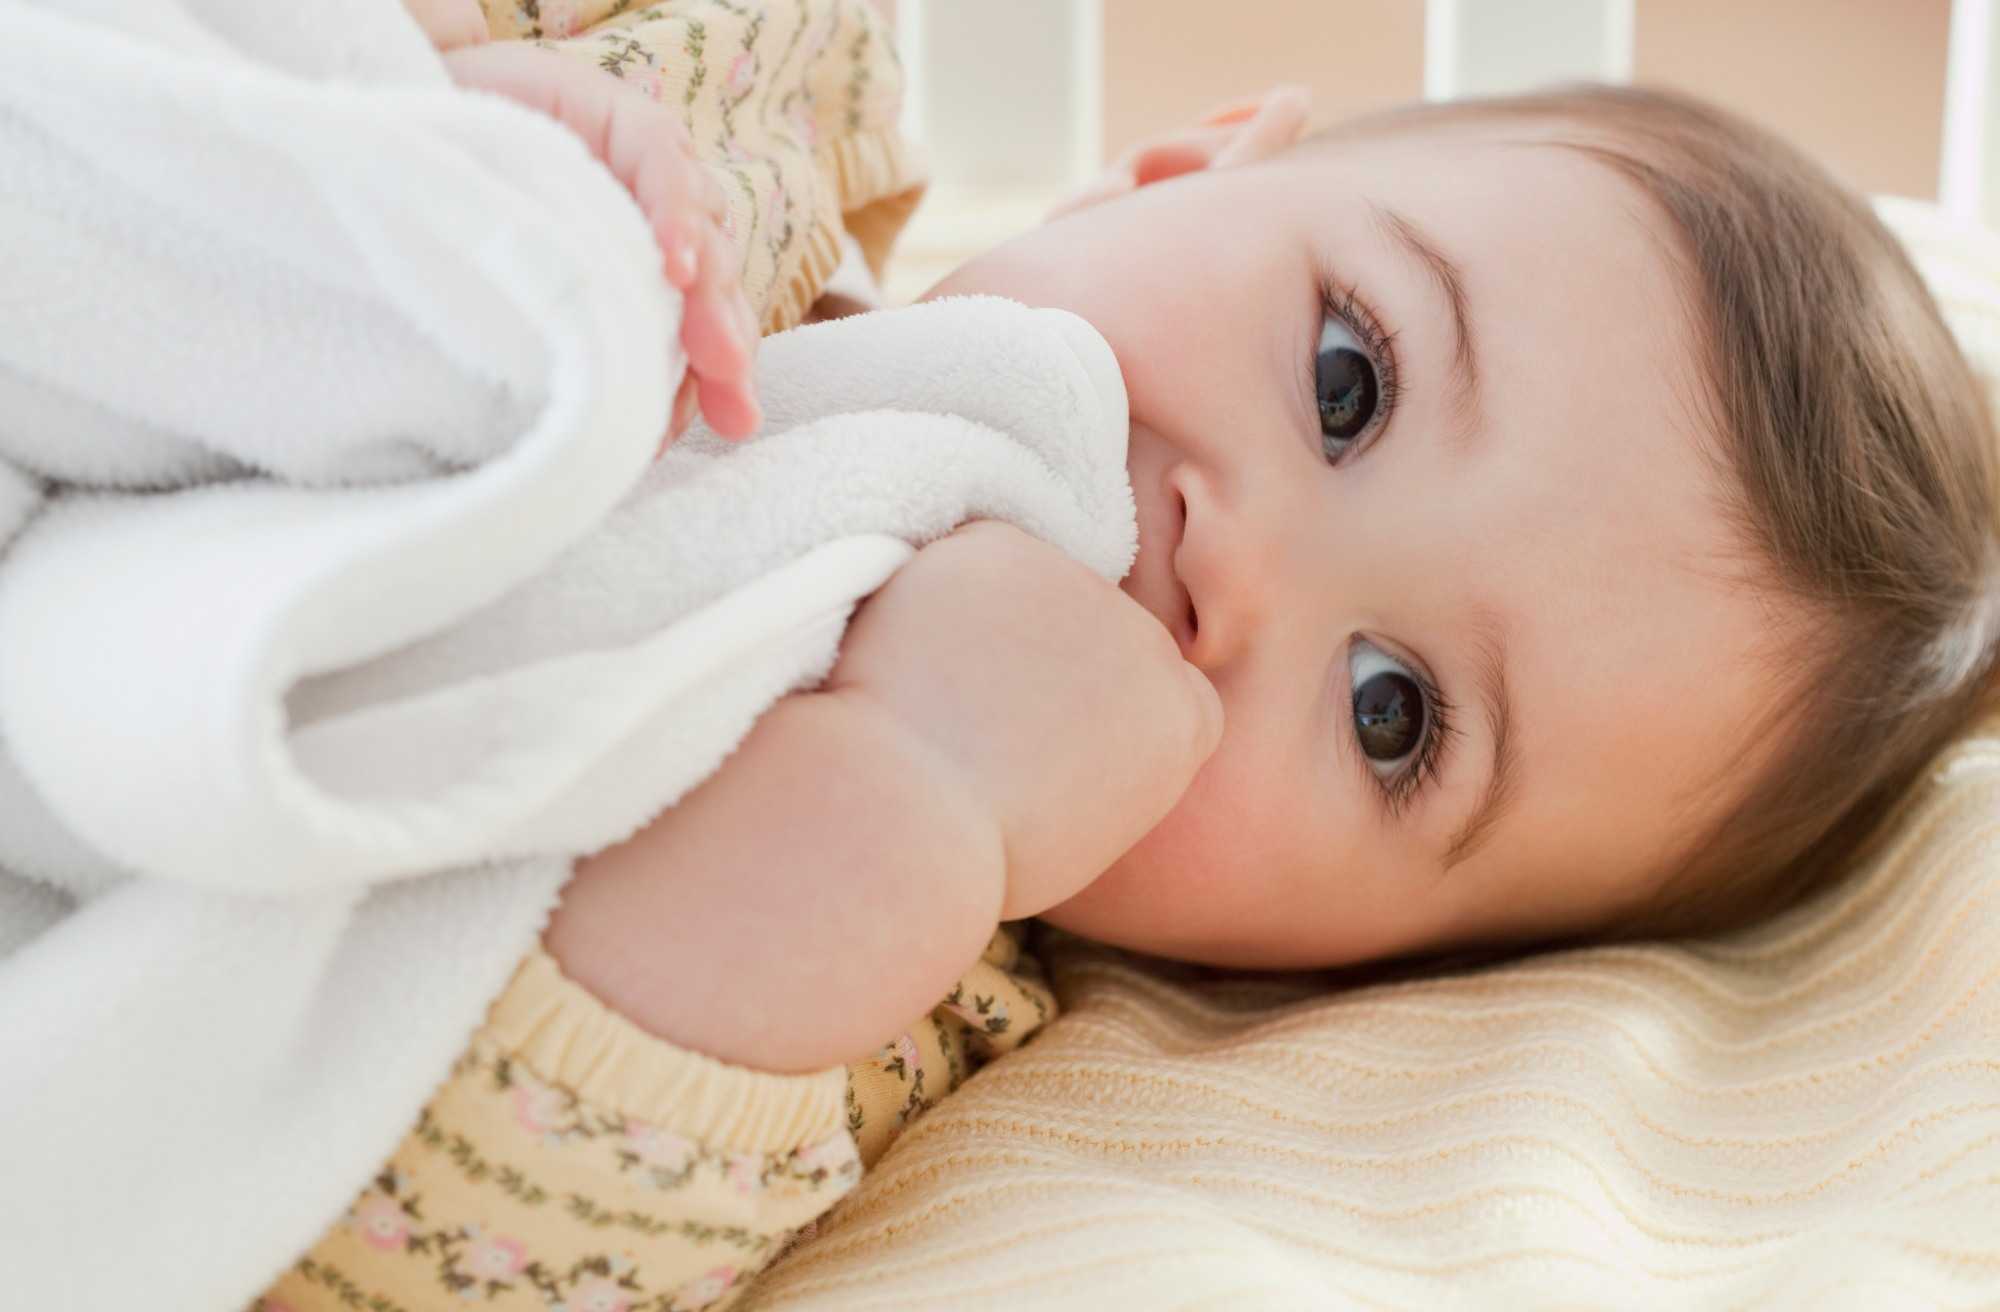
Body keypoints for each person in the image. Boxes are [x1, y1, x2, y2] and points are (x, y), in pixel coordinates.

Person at [261, 2, 2000, 1308]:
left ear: (1323, 967)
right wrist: (402, 98)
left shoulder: (887, 1004)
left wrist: (917, 791)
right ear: (1174, 171)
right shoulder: (752, 94)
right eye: (1347, 380)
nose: (1239, 576)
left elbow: (404, 1214)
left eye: (1391, 719)